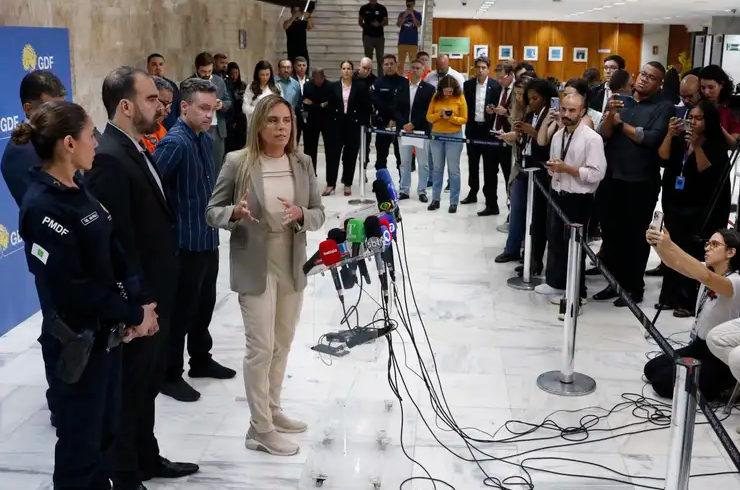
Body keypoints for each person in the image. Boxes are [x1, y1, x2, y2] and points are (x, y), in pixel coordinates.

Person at [14, 100, 157, 490]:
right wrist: (131, 313)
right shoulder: (42, 207)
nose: (96, 141)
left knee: (106, 434)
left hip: (106, 338)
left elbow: (114, 248)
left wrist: (141, 302)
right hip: (78, 344)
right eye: (90, 134)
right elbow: (75, 289)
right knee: (81, 447)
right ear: (68, 144)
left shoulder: (79, 188)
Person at [86, 66, 199, 488]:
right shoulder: (110, 158)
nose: (161, 106)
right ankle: (126, 473)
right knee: (131, 390)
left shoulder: (133, 146)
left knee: (147, 384)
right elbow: (119, 242)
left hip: (157, 292)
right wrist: (139, 305)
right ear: (127, 105)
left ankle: (147, 458)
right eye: (152, 99)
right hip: (142, 299)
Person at [206, 94, 325, 455]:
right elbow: (212, 211)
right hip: (254, 262)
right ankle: (259, 427)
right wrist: (235, 214)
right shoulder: (238, 161)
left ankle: (272, 410)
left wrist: (302, 214)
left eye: (286, 121)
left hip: (291, 260)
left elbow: (319, 212)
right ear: (258, 124)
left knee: (283, 343)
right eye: (272, 120)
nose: (281, 128)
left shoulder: (302, 163)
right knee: (261, 347)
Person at [154, 78, 237, 403]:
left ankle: (200, 359)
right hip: (184, 245)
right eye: (203, 108)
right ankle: (169, 374)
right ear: (183, 107)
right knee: (180, 313)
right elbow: (152, 189)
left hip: (206, 238)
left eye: (213, 109)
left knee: (203, 307)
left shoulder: (202, 138)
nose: (209, 115)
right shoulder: (175, 142)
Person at [0, 71, 66, 429]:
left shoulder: (46, 140)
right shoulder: (22, 152)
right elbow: (44, 207)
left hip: (68, 250)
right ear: (29, 108)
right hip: (51, 252)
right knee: (57, 326)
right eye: (50, 105)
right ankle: (59, 400)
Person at [597, 62, 674, 306]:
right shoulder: (623, 100)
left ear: (659, 83)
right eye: (642, 74)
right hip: (612, 177)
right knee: (611, 234)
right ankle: (613, 282)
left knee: (634, 237)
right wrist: (611, 115)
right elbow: (604, 134)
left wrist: (622, 125)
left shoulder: (664, 107)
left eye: (651, 78)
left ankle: (633, 287)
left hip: (640, 181)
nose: (644, 80)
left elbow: (651, 139)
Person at [644, 227, 740, 401]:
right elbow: (674, 263)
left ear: (731, 252)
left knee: (662, 383)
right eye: (707, 243)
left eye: (715, 244)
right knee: (651, 369)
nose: (708, 248)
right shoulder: (707, 269)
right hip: (700, 346)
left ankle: (727, 385)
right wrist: (658, 244)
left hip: (720, 356)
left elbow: (706, 277)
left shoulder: (736, 281)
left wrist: (671, 245)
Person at [657, 101, 730, 317]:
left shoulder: (715, 145)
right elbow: (663, 157)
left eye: (698, 118)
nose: (693, 122)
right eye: (691, 117)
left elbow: (705, 171)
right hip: (675, 202)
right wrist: (670, 135)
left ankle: (687, 300)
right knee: (673, 249)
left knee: (693, 252)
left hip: (700, 206)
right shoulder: (680, 139)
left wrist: (696, 146)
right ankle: (669, 296)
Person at [534, 93, 606, 308]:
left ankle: (577, 292)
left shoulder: (592, 138)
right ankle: (557, 282)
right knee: (555, 240)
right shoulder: (558, 135)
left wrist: (568, 169)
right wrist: (553, 167)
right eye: (564, 109)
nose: (566, 114)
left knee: (574, 247)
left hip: (579, 199)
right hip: (557, 193)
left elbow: (596, 173)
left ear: (582, 111)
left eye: (572, 110)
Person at [462, 56, 502, 215]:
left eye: (484, 67)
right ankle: (473, 192)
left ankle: (491, 200)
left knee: (490, 167)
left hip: (489, 131)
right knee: (472, 163)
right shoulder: (468, 85)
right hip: (473, 129)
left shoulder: (496, 85)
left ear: (488, 69)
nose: (480, 70)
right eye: (478, 67)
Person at [394, 58, 435, 202]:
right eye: (413, 68)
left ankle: (422, 191)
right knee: (404, 162)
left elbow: (429, 111)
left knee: (423, 163)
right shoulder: (401, 87)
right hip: (404, 130)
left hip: (421, 131)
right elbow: (396, 108)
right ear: (409, 70)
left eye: (418, 68)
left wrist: (414, 123)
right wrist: (405, 123)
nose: (415, 70)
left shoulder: (430, 89)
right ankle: (404, 190)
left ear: (424, 71)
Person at [426, 75, 467, 213]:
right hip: (437, 134)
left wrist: (452, 118)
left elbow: (464, 119)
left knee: (453, 170)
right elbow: (429, 117)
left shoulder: (460, 97)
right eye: (446, 91)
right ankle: (435, 199)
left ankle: (453, 201)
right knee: (437, 168)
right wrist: (439, 115)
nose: (448, 94)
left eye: (450, 91)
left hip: (454, 135)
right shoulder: (435, 97)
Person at [188, 52, 232, 176]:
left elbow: (228, 101)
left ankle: (216, 193)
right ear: (197, 69)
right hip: (198, 130)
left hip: (217, 129)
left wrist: (222, 104)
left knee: (217, 167)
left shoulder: (219, 81)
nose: (207, 75)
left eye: (209, 71)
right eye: (203, 72)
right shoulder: (189, 83)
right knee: (199, 166)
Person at [331, 60, 369, 196]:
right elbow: (330, 106)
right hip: (337, 123)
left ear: (352, 71)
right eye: (343, 68)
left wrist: (362, 122)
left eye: (348, 68)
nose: (346, 71)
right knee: (334, 154)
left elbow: (366, 106)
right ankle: (331, 183)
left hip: (353, 123)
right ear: (340, 70)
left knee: (350, 155)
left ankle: (348, 183)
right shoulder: (334, 86)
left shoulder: (360, 86)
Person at [371, 54, 407, 173]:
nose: (389, 66)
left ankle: (403, 188)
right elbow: (376, 102)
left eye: (392, 63)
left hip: (399, 124)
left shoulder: (404, 82)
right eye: (386, 64)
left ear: (396, 65)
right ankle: (381, 184)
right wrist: (390, 116)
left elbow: (404, 103)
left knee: (401, 158)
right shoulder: (378, 82)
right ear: (382, 66)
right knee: (381, 157)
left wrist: (395, 118)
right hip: (382, 124)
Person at [303, 67, 340, 178]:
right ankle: (311, 175)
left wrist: (314, 104)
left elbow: (331, 105)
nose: (318, 81)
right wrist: (320, 105)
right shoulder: (308, 86)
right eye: (316, 78)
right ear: (312, 78)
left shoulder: (330, 86)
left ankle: (330, 179)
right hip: (311, 122)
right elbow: (306, 104)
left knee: (330, 151)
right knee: (309, 150)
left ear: (324, 77)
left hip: (327, 121)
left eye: (320, 78)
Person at [698, 64, 740, 148]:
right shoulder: (699, 106)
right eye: (703, 88)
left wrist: (719, 127)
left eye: (711, 87)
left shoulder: (731, 109)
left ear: (721, 85)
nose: (706, 92)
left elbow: (735, 146)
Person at [243, 60, 283, 127]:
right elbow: (245, 108)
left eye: (267, 74)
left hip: (273, 124)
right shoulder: (251, 87)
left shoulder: (277, 87)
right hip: (256, 124)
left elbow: (282, 106)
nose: (265, 78)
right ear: (257, 74)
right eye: (262, 75)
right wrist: (260, 110)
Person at [146, 53, 180, 130]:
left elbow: (178, 108)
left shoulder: (172, 86)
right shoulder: (144, 86)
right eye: (154, 64)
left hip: (170, 128)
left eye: (161, 64)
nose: (158, 67)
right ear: (148, 67)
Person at [141, 76, 173, 153]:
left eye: (170, 105)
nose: (169, 110)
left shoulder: (161, 129)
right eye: (165, 104)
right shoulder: (134, 131)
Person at [226, 62, 248, 152]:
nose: (234, 76)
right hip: (229, 122)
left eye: (236, 73)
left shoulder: (243, 85)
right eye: (232, 73)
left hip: (241, 121)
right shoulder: (226, 86)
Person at [396, 0, 421, 75]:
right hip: (402, 42)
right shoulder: (402, 14)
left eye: (410, 4)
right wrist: (404, 15)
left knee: (413, 64)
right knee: (400, 64)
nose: (409, 5)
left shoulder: (417, 14)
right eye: (408, 3)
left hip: (413, 43)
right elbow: (398, 25)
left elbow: (418, 25)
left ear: (414, 4)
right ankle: (399, 80)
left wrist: (412, 15)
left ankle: (413, 79)